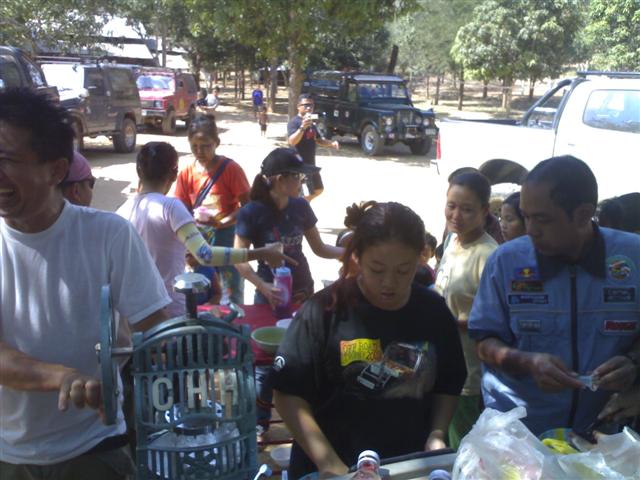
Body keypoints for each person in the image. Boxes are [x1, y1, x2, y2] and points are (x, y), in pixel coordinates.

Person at [0, 88, 172, 479]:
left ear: (56, 170)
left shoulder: (109, 235)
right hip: (10, 453)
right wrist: (62, 377)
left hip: (94, 446)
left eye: (7, 160)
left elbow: (156, 331)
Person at [272, 201, 467, 478]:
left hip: (406, 466)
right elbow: (287, 393)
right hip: (334, 466)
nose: (389, 282)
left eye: (403, 270)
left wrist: (436, 434)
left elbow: (449, 382)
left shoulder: (434, 311)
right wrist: (329, 463)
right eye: (377, 269)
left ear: (420, 259)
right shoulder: (324, 311)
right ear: (357, 258)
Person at [468, 155, 640, 437]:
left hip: (602, 439)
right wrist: (528, 362)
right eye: (526, 216)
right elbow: (484, 342)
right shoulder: (506, 262)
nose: (530, 229)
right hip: (517, 439)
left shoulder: (633, 259)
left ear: (583, 214)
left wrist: (633, 362)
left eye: (542, 219)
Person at [233, 147, 344, 434]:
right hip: (269, 295)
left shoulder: (301, 207)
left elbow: (320, 248)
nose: (302, 182)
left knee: (306, 353)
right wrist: (263, 286)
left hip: (302, 290)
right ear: (280, 180)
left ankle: (307, 418)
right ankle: (260, 423)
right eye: (298, 177)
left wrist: (353, 253)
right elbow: (239, 258)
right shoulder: (251, 212)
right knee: (266, 360)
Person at [117, 142, 292, 317]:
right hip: (169, 311)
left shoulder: (122, 211)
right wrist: (262, 253)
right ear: (174, 174)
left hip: (135, 313)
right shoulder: (170, 208)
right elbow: (205, 255)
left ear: (139, 171)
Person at [434, 172, 498, 449]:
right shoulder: (453, 241)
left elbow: (494, 320)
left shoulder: (489, 255)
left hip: (467, 375)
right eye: (451, 206)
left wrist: (451, 323)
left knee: (461, 448)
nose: (456, 215)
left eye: (467, 209)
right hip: (439, 361)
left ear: (485, 210)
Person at [174, 114, 251, 304]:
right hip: (199, 239)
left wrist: (223, 222)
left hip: (227, 237)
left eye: (206, 146)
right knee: (204, 290)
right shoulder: (186, 173)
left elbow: (248, 206)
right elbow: (181, 208)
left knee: (231, 291)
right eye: (194, 146)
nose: (200, 151)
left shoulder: (231, 169)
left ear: (217, 142)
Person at [287, 94, 339, 202]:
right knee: (305, 193)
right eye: (306, 105)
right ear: (298, 106)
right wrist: (302, 127)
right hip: (299, 165)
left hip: (310, 164)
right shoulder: (294, 122)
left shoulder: (311, 123)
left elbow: (318, 139)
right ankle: (301, 207)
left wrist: (331, 144)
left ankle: (303, 205)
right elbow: (292, 141)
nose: (309, 108)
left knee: (318, 189)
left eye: (311, 105)